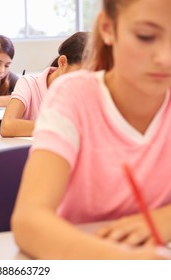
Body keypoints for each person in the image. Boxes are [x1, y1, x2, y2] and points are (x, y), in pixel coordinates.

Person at [11, 0, 171, 259]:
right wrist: (123, 261)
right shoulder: (74, 96)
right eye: (146, 36)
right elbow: (29, 221)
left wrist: (164, 218)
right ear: (108, 28)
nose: (165, 57)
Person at [0, 32, 88, 137]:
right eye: (80, 75)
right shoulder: (29, 84)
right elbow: (7, 126)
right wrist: (60, 127)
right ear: (63, 62)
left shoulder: (86, 93)